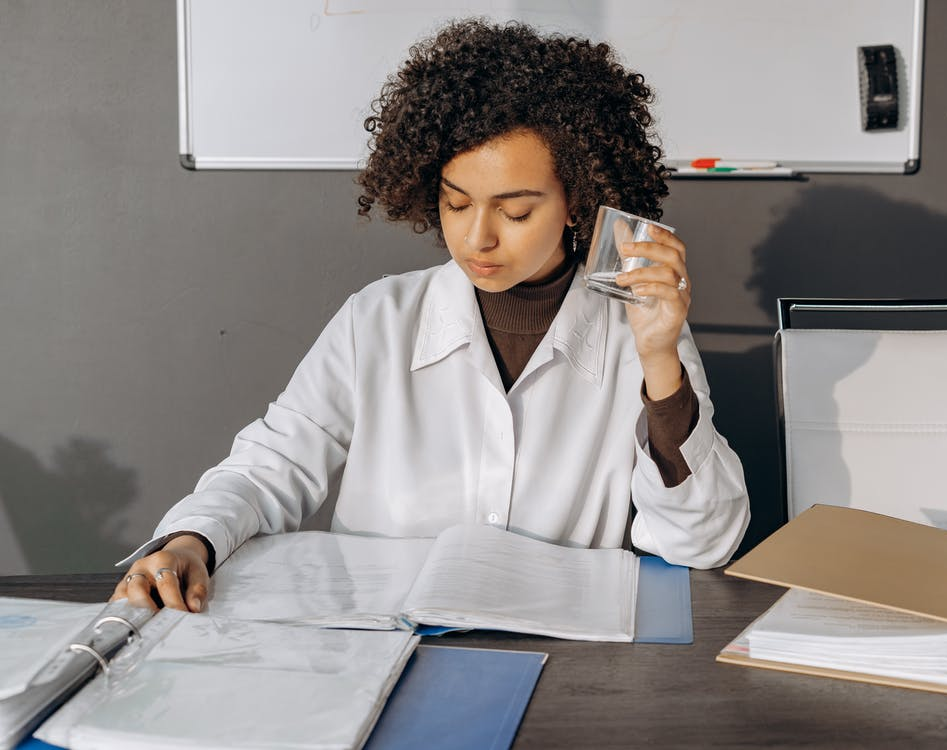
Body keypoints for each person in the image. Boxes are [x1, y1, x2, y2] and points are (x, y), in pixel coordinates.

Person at [113, 19, 750, 612]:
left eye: (517, 212)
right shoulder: (378, 318)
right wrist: (193, 538)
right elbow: (270, 465)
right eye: (455, 203)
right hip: (379, 642)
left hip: (563, 657)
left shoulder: (638, 330)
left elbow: (704, 543)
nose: (478, 239)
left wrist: (661, 360)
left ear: (578, 202)